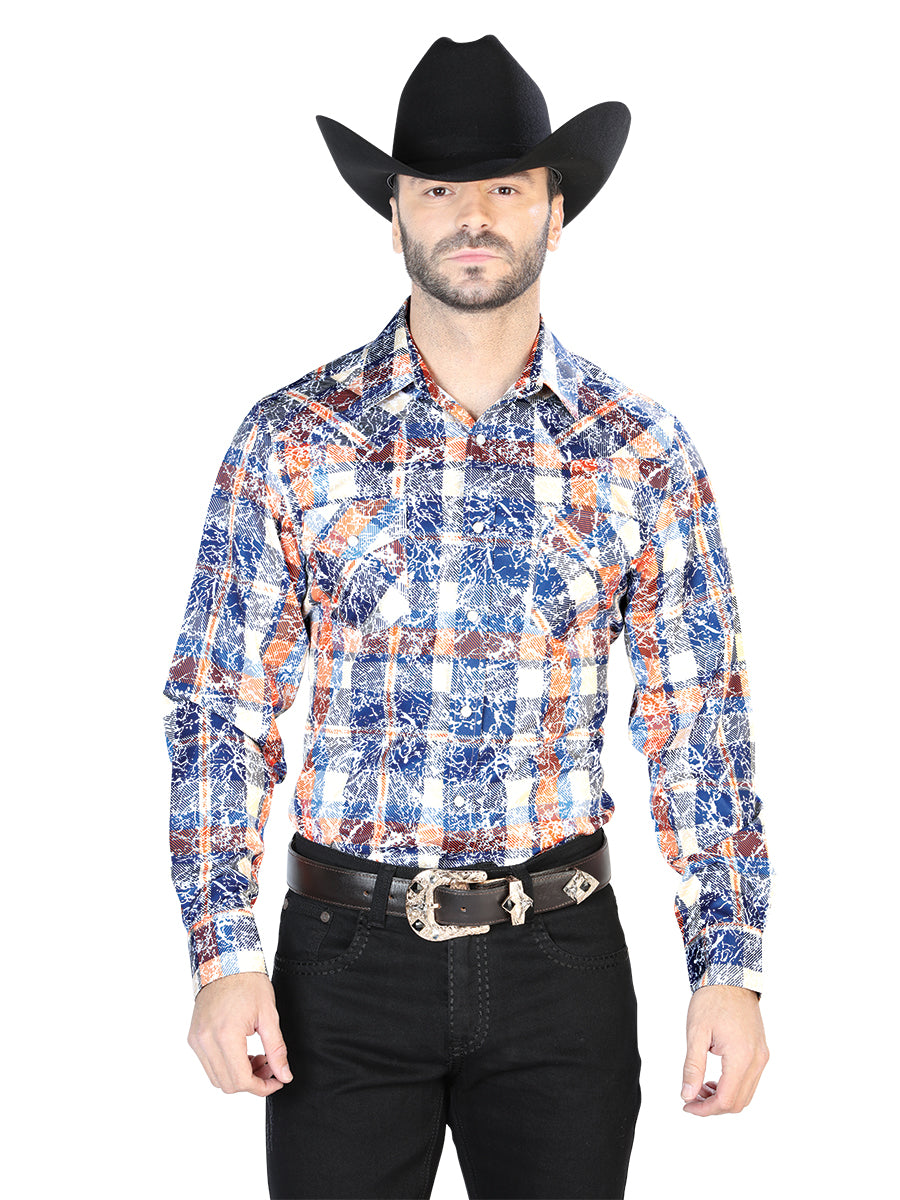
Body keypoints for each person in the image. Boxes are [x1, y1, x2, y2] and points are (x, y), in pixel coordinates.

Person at [164, 34, 771, 1200]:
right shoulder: (293, 438)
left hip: (562, 963)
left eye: (503, 187)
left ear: (556, 211)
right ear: (395, 216)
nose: (473, 217)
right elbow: (217, 708)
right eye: (440, 191)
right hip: (344, 967)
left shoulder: (640, 448)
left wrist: (729, 967)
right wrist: (222, 954)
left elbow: (699, 722)